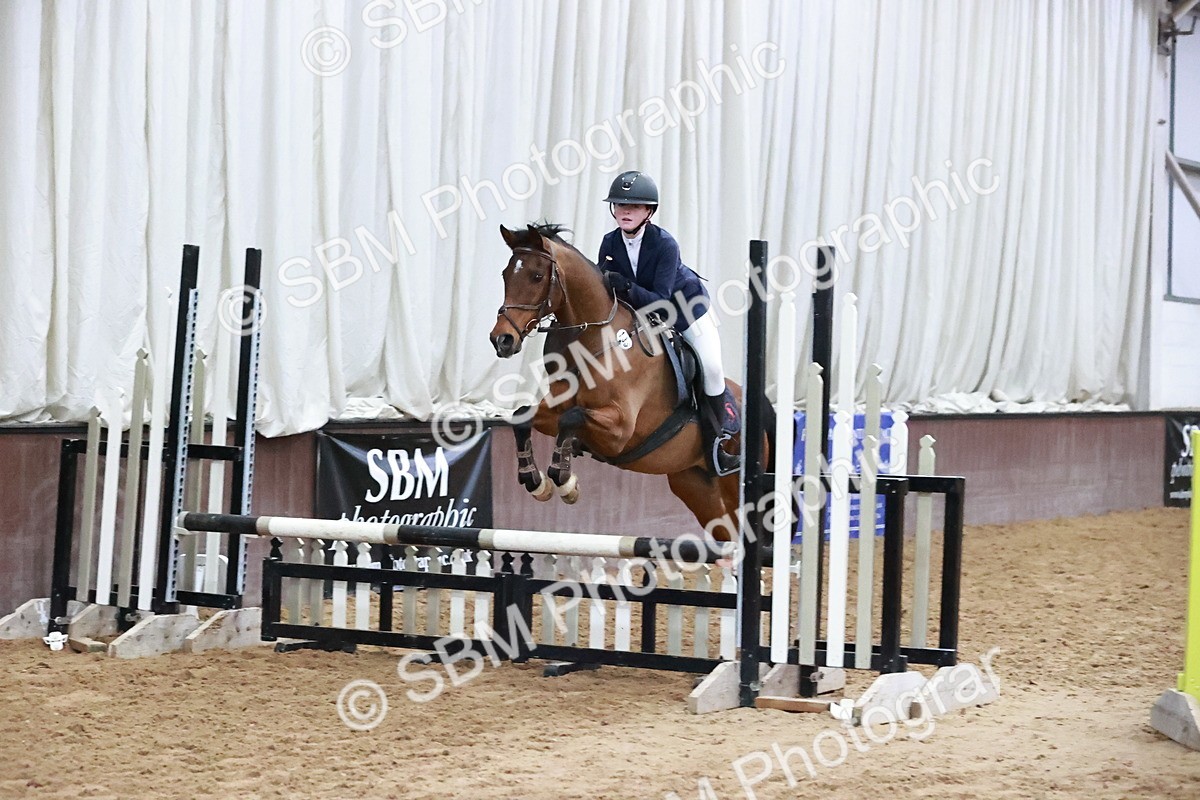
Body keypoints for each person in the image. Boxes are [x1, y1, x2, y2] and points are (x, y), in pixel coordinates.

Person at [596, 170, 740, 475]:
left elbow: (660, 300)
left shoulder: (665, 244)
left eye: (633, 207)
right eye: (620, 206)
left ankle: (717, 447)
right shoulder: (609, 243)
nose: (625, 212)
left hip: (685, 310)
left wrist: (624, 286)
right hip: (641, 315)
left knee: (712, 369)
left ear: (648, 211)